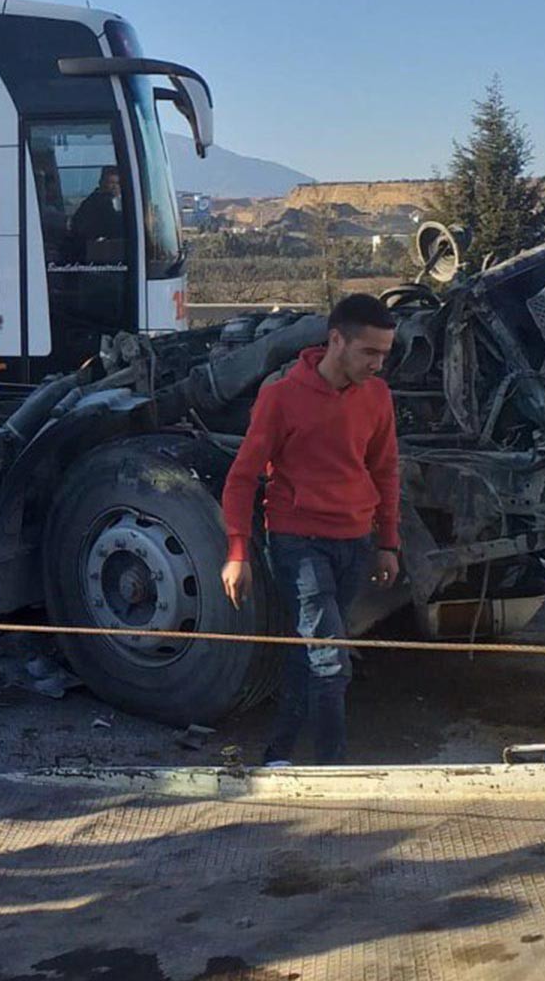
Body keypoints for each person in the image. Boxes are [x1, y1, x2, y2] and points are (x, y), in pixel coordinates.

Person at [219, 293, 400, 767]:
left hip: (355, 542)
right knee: (330, 661)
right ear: (335, 340)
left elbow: (385, 471)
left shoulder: (377, 396)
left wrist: (388, 543)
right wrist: (237, 551)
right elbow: (242, 478)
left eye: (385, 353)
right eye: (369, 352)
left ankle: (277, 753)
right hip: (297, 542)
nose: (378, 364)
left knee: (309, 651)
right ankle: (331, 767)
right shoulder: (281, 397)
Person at [69, 166, 125, 245]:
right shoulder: (95, 202)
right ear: (101, 183)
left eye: (118, 183)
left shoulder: (125, 201)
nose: (115, 187)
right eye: (111, 183)